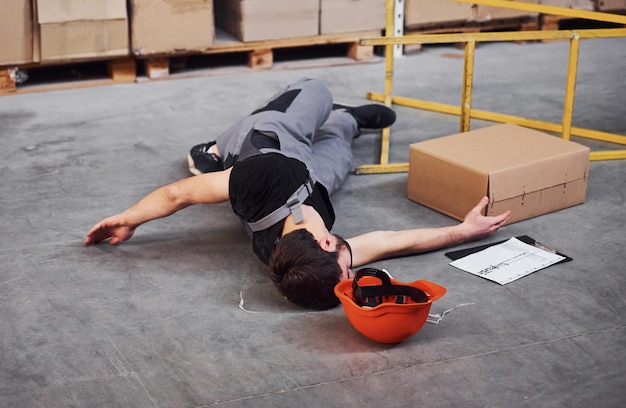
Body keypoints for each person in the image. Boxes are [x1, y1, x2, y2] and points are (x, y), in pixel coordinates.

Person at [85, 78, 511, 310]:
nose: (354, 268)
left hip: (270, 144)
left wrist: (128, 219)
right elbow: (387, 241)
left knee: (317, 92)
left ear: (325, 242)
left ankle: (213, 149)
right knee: (339, 152)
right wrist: (462, 231)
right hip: (314, 182)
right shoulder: (313, 258)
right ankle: (347, 121)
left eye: (348, 271)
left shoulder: (258, 181)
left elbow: (180, 194)